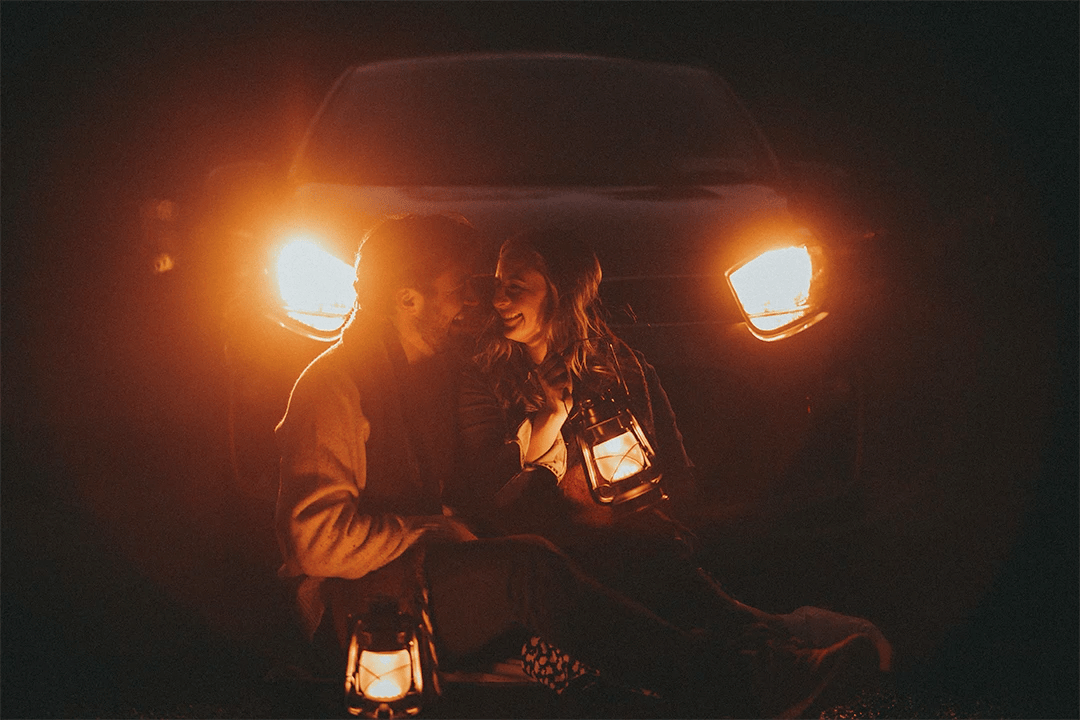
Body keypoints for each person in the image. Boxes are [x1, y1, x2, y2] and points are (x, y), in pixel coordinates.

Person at [273, 213, 879, 718]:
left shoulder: (428, 377)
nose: (481, 300)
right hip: (363, 606)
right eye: (462, 286)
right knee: (529, 568)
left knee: (610, 553)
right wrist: (435, 526)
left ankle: (771, 655)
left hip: (429, 571)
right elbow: (316, 542)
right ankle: (747, 686)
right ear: (407, 298)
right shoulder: (337, 388)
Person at [453, 226, 891, 708]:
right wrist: (551, 416)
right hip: (556, 556)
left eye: (516, 284)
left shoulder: (618, 366)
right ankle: (783, 652)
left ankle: (782, 654)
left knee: (661, 574)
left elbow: (671, 473)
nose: (498, 297)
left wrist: (656, 518)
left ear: (561, 290)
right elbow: (496, 492)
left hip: (629, 544)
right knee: (629, 620)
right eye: (496, 282)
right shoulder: (484, 374)